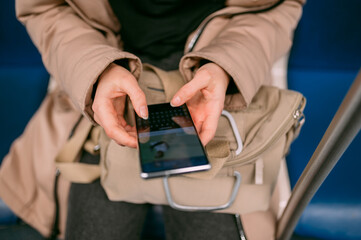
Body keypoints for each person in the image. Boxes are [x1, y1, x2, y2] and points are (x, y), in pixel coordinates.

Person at [0, 0, 305, 239]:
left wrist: (228, 64)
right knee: (97, 228)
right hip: (105, 75)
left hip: (216, 85)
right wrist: (95, 73)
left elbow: (277, 6)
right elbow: (46, 7)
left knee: (210, 223)